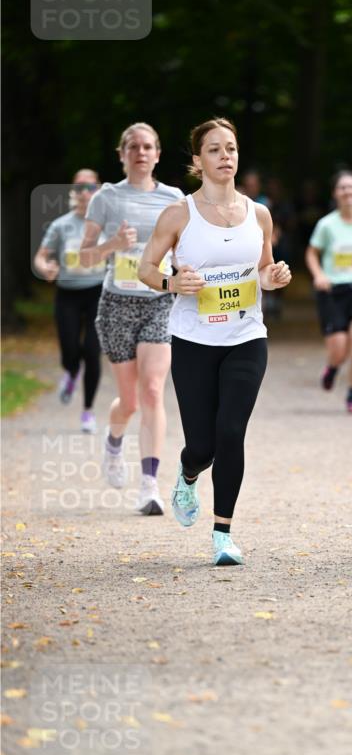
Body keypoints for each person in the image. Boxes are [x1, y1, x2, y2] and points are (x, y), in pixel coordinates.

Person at [137, 117, 291, 566]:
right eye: (215, 150)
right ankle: (188, 474)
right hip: (193, 340)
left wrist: (274, 276)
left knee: (231, 433)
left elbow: (263, 268)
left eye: (232, 149)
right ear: (197, 161)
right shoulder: (178, 214)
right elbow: (146, 268)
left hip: (246, 337)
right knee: (202, 445)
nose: (226, 157)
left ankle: (223, 533)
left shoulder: (258, 214)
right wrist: (171, 283)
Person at [79, 122, 184, 514]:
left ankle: (150, 484)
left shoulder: (175, 198)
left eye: (148, 147)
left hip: (159, 300)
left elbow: (184, 248)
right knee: (130, 401)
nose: (141, 153)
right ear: (122, 154)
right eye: (133, 147)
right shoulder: (106, 198)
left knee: (153, 391)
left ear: (158, 154)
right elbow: (85, 256)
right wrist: (114, 244)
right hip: (117, 305)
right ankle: (113, 441)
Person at [33, 170, 103, 432]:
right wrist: (45, 268)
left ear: (99, 190)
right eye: (80, 187)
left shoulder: (108, 224)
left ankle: (88, 411)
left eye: (91, 186)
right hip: (68, 294)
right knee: (70, 348)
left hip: (98, 292)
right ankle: (71, 371)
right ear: (73, 191)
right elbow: (41, 256)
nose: (86, 192)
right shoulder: (61, 225)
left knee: (93, 351)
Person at [305, 171, 352, 414]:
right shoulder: (326, 224)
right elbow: (311, 253)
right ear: (336, 193)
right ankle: (333, 367)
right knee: (339, 349)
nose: (348, 191)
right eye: (342, 187)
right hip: (333, 293)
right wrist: (319, 275)